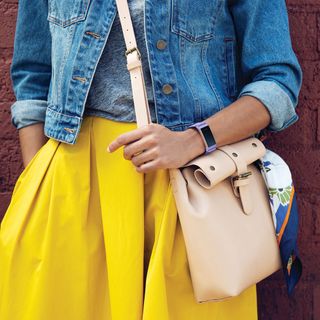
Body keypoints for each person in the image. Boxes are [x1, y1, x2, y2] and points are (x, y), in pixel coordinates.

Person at [0, 0, 302, 319]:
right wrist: (35, 183)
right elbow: (33, 78)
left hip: (190, 187)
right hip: (71, 187)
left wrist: (194, 140)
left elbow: (277, 83)